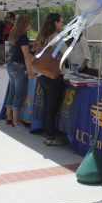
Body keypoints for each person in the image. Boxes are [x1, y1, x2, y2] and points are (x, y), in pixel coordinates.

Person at [34, 13, 68, 146]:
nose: (62, 24)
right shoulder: (56, 37)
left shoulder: (42, 36)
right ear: (55, 23)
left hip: (42, 74)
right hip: (54, 75)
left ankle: (46, 133)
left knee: (47, 106)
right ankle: (50, 136)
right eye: (61, 22)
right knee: (52, 107)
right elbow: (66, 52)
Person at [5, 15, 35, 128]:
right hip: (18, 68)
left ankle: (9, 117)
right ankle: (16, 120)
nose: (31, 25)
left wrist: (31, 56)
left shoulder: (14, 35)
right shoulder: (23, 38)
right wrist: (30, 73)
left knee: (12, 92)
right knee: (19, 94)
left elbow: (21, 53)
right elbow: (26, 57)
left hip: (11, 65)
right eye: (29, 23)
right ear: (25, 24)